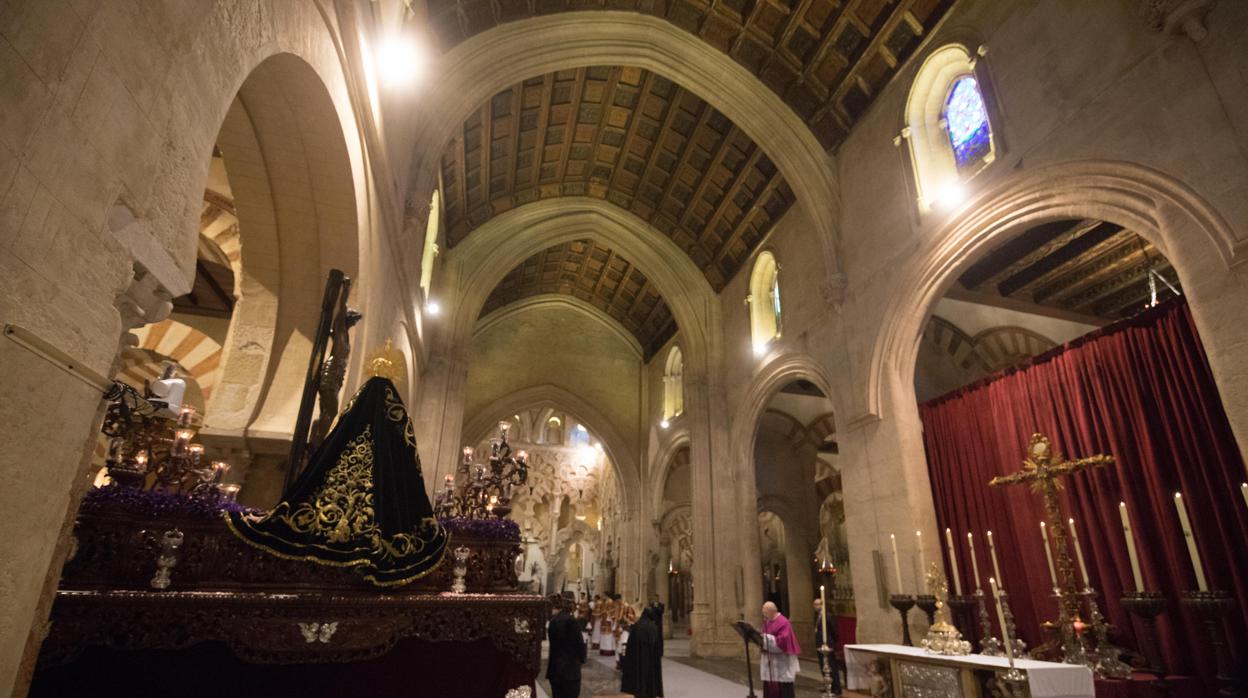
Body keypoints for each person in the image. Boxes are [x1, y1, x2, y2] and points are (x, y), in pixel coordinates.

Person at [546, 595, 586, 698]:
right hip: (570, 671)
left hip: (555, 668)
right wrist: (581, 659)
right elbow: (579, 644)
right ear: (570, 606)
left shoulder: (553, 621)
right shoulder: (572, 621)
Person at [620, 606, 664, 698]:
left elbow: (630, 646)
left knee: (639, 677)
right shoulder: (654, 628)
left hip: (638, 660)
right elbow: (658, 647)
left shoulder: (636, 627)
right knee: (650, 678)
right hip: (651, 660)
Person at [760, 601, 801, 698]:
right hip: (770, 661)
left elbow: (782, 642)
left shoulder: (783, 622)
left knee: (784, 689)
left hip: (782, 662)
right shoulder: (768, 621)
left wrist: (765, 638)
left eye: (765, 612)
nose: (764, 615)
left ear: (772, 611)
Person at [813, 597, 842, 697]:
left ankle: (836, 688)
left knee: (831, 666)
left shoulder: (827, 616)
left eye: (817, 604)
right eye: (815, 605)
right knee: (823, 666)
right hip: (820, 644)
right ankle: (827, 685)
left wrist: (831, 642)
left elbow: (834, 630)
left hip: (827, 644)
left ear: (822, 605)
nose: (815, 606)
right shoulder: (818, 616)